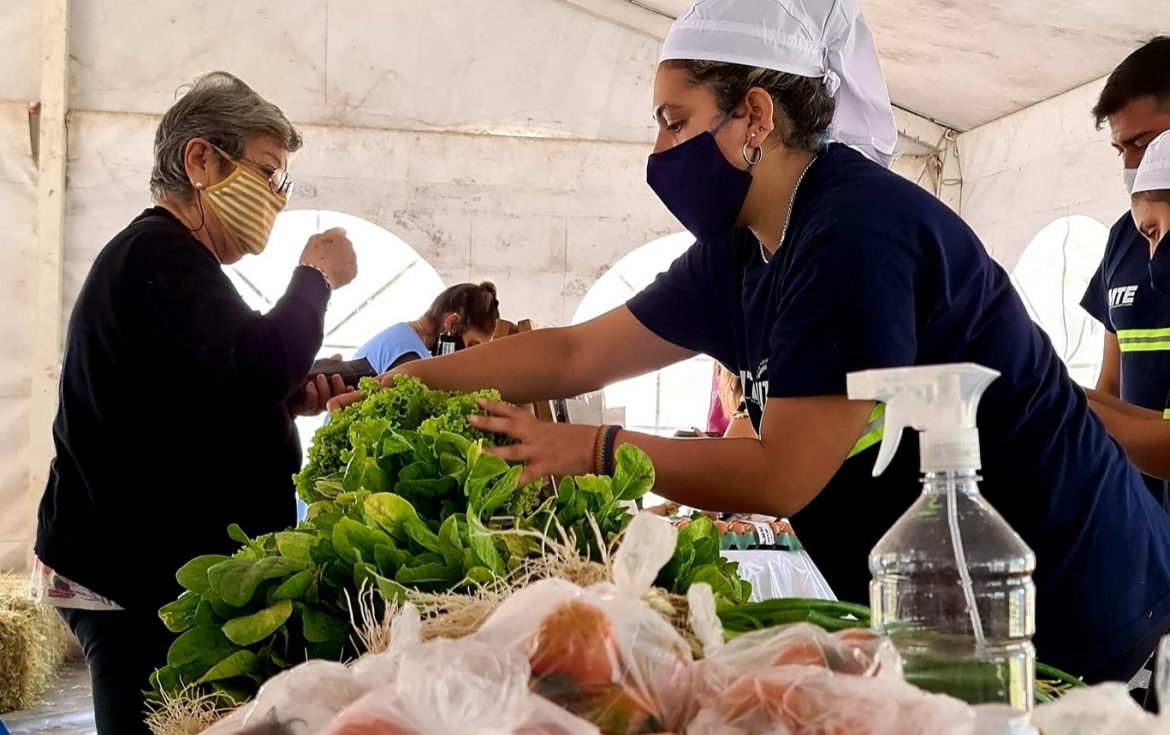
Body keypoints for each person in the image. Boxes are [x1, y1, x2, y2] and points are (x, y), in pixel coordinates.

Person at [335, 0, 1170, 683]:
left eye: (674, 121)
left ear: (755, 116)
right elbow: (571, 353)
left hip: (1067, 597)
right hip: (948, 612)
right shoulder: (743, 250)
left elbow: (784, 472)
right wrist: (403, 385)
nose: (660, 151)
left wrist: (591, 447)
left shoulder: (855, 231)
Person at [31, 72, 357, 734]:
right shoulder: (157, 253)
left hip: (143, 573)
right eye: (269, 174)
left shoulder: (172, 265)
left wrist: (282, 402)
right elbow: (254, 362)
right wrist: (315, 277)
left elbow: (206, 390)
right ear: (201, 160)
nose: (277, 200)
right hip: (129, 579)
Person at [1080, 37, 1170, 512]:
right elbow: (1111, 384)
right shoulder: (1123, 236)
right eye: (1121, 149)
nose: (1133, 164)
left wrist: (1055, 406)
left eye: (1144, 142)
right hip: (1147, 514)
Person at [353, 282, 500, 372]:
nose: (471, 356)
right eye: (472, 345)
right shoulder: (411, 356)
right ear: (452, 323)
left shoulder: (400, 335)